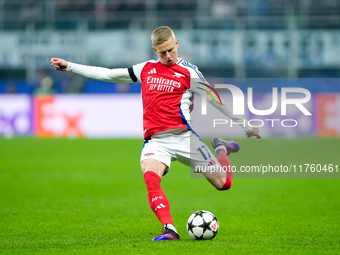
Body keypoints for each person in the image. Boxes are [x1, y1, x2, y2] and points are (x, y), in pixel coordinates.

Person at [50, 26, 261, 241]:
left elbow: (216, 100)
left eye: (171, 50)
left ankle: (222, 147)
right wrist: (70, 67)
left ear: (177, 43)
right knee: (151, 178)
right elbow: (108, 74)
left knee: (224, 184)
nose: (168, 56)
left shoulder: (190, 73)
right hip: (155, 141)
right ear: (154, 50)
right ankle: (169, 229)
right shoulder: (145, 69)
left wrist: (245, 127)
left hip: (184, 138)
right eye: (162, 53)